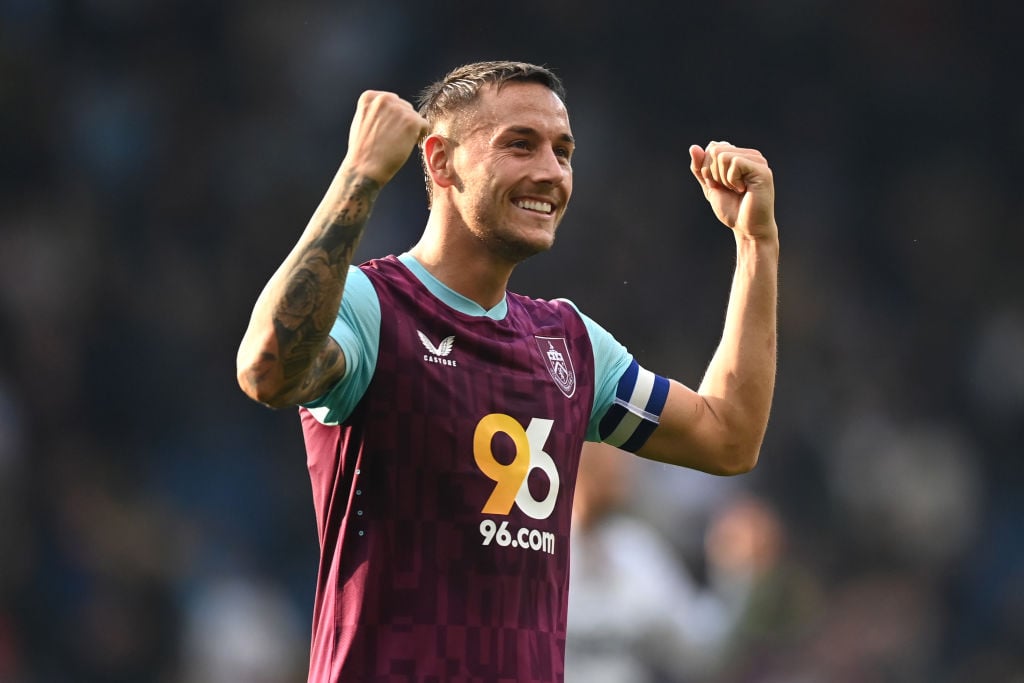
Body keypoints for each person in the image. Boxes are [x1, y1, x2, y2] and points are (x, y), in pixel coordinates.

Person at [236, 60, 778, 683]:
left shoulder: (569, 345)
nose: (550, 171)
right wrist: (359, 175)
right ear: (440, 163)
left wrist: (755, 243)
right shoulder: (372, 306)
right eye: (520, 144)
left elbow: (729, 436)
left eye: (563, 151)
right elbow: (268, 370)